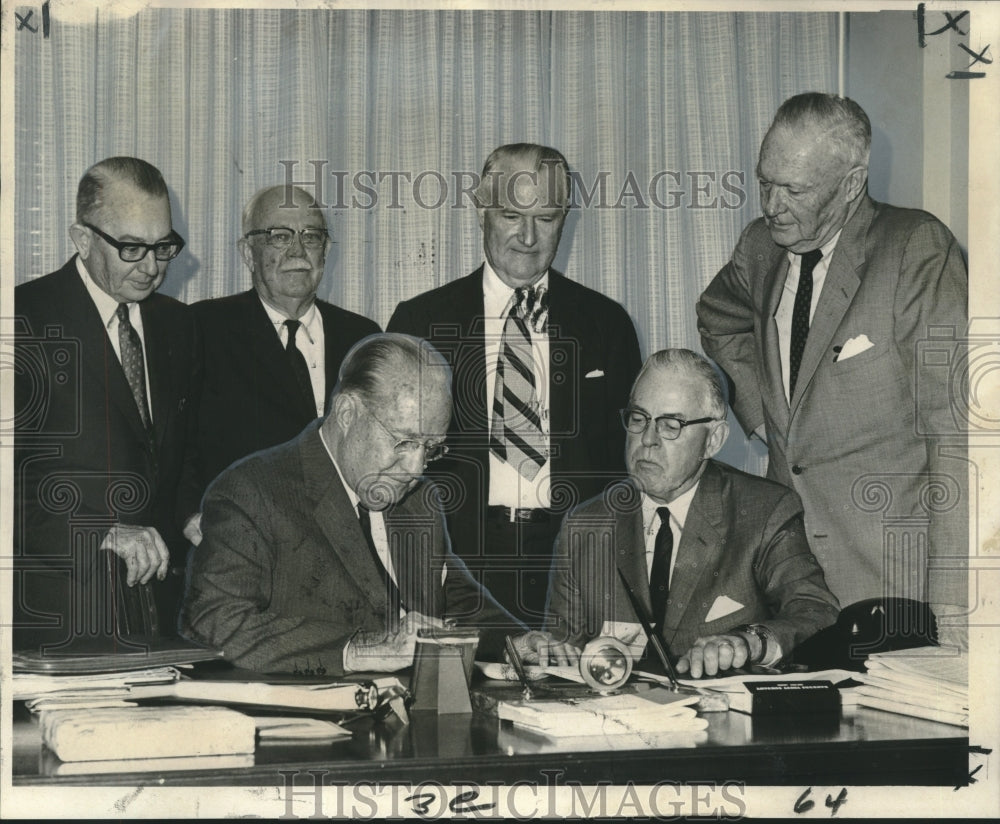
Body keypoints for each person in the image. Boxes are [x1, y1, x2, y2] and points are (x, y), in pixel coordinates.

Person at [696, 93, 967, 612]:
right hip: (787, 577)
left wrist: (955, 600)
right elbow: (719, 316)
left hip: (891, 578)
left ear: (851, 184)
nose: (772, 205)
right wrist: (765, 419)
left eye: (794, 190)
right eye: (764, 183)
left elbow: (956, 433)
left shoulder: (916, 249)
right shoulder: (761, 246)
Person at [388, 143, 642, 628]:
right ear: (481, 210)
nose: (527, 236)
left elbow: (622, 464)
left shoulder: (607, 323)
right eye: (510, 214)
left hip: (576, 561)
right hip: (461, 559)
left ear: (565, 219)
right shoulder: (421, 320)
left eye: (545, 218)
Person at [181, 333, 525, 674]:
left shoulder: (419, 499)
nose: (416, 468)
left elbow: (454, 597)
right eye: (404, 441)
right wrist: (359, 650)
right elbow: (215, 622)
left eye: (431, 448)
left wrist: (519, 642)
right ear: (347, 412)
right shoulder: (252, 492)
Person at [539, 349, 840, 678]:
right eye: (639, 419)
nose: (648, 440)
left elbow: (815, 612)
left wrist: (750, 641)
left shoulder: (764, 511)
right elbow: (563, 647)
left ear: (714, 440)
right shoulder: (586, 525)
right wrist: (542, 654)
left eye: (671, 425)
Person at [13, 156, 201, 651]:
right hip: (55, 618)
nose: (152, 266)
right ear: (82, 239)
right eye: (132, 247)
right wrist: (99, 529)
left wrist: (194, 513)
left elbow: (175, 458)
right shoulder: (21, 322)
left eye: (164, 247)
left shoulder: (179, 327)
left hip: (157, 616)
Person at [192, 184, 379, 493]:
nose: (297, 251)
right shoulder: (204, 328)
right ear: (248, 252)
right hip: (243, 528)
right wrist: (191, 515)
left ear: (326, 250)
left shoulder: (362, 336)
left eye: (311, 237)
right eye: (279, 236)